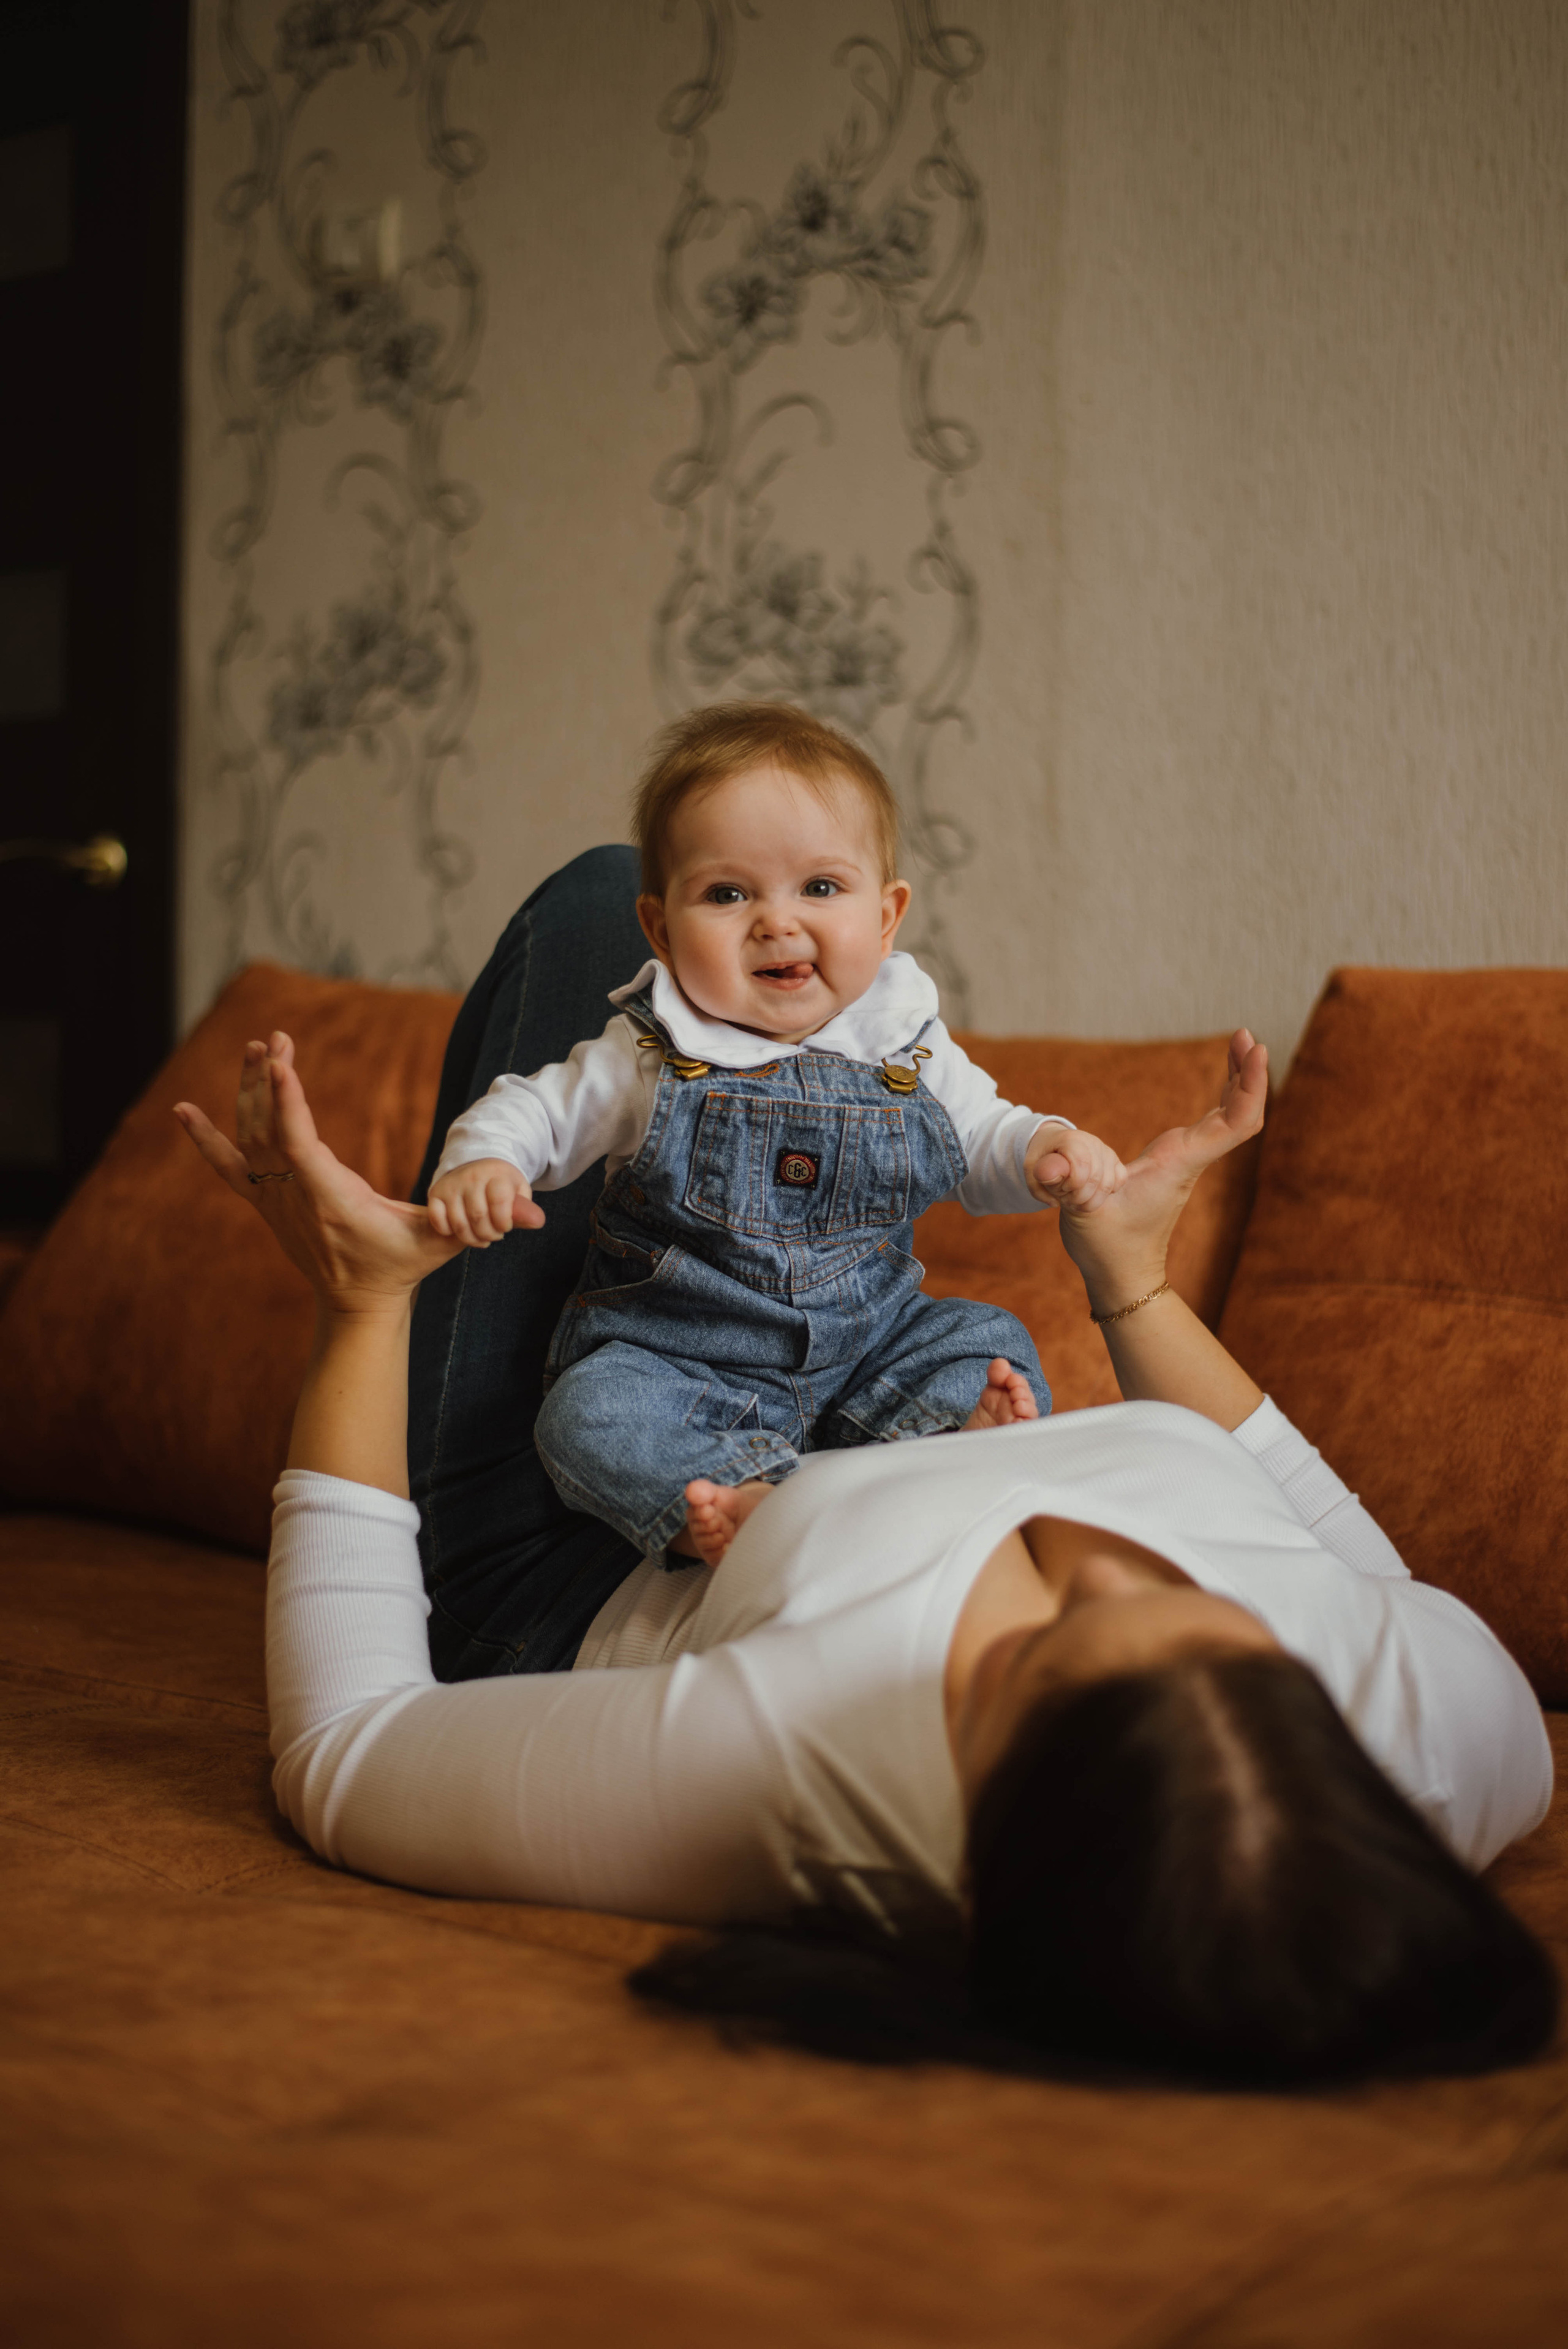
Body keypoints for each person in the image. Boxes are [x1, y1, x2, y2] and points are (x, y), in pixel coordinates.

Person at [172, 853, 1558, 2089]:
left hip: (574, 1562)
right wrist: (1128, 1289)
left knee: (618, 906)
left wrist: (360, 1311)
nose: (1088, 1559)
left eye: (1034, 1659)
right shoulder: (1446, 1729)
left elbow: (345, 1757)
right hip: (830, 1390)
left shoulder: (785, 1760)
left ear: (971, 1818)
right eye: (1187, 1601)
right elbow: (1333, 1542)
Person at [423, 705, 1126, 1566]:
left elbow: (983, 1133)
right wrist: (488, 1159)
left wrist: (1045, 1147)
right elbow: (535, 1105)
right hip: (682, 1366)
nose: (777, 920)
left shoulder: (904, 1043)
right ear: (660, 928)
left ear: (887, 915)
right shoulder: (654, 1050)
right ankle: (748, 1504)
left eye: (821, 887)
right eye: (728, 893)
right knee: (586, 1413)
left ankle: (923, 1460)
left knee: (987, 1342)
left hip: (869, 1352)